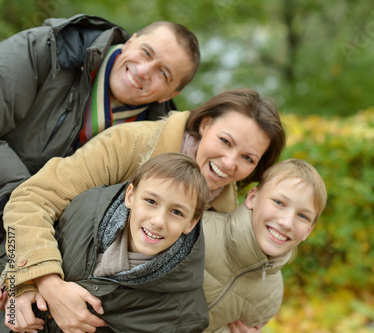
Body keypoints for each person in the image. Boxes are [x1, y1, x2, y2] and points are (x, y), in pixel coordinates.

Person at [2, 88, 286, 332]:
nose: (228, 162)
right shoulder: (130, 145)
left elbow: (187, 300)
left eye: (248, 158)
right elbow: (30, 199)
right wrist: (31, 283)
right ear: (205, 124)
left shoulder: (225, 216)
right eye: (225, 141)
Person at [0, 13, 201, 221]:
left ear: (170, 95)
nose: (143, 71)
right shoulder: (47, 49)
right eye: (146, 52)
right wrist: (26, 200)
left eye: (163, 73)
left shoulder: (157, 144)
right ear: (130, 41)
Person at [4, 152, 210, 332]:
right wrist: (19, 286)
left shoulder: (186, 315)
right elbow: (20, 239)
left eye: (176, 212)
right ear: (130, 196)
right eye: (151, 201)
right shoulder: (86, 209)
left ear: (190, 223)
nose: (158, 221)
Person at [202, 159, 327, 332]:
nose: (286, 223)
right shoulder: (199, 232)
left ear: (308, 231)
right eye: (279, 203)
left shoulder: (271, 296)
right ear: (252, 198)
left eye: (303, 216)